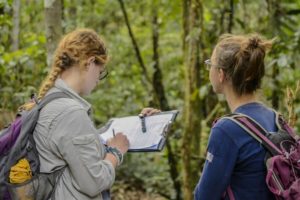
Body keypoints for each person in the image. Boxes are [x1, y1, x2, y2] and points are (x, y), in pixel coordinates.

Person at [20, 28, 160, 200]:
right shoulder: (70, 112)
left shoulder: (51, 100)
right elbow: (94, 182)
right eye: (100, 72)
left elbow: (73, 147)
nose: (98, 81)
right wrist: (115, 152)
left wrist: (137, 126)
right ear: (90, 62)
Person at [194, 34, 275, 200]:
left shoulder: (226, 130)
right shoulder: (275, 118)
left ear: (221, 74)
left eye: (210, 64)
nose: (209, 69)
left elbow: (204, 196)